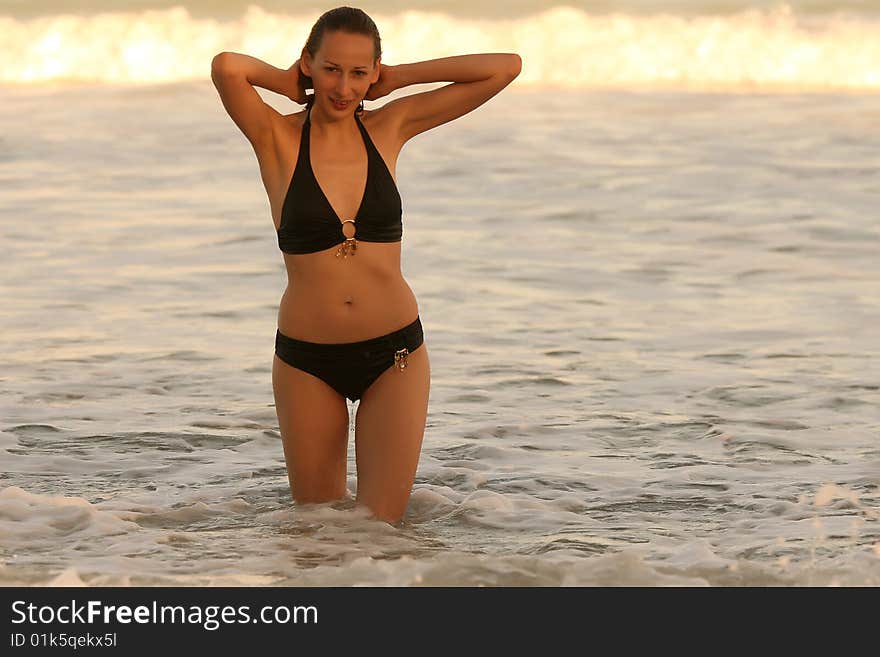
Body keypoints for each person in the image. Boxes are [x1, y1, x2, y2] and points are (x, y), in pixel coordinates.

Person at [211, 6, 521, 525]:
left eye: (359, 72)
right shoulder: (276, 137)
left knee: (382, 536)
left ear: (375, 72)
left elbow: (505, 66)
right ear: (308, 63)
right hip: (307, 363)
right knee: (317, 537)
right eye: (331, 68)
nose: (344, 87)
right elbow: (227, 67)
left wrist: (399, 78)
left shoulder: (390, 126)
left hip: (394, 354)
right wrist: (286, 84)